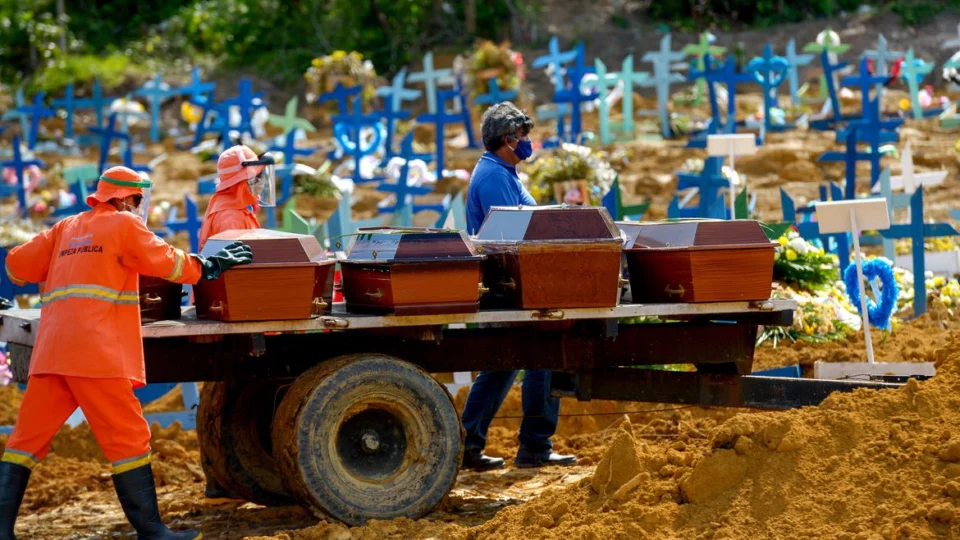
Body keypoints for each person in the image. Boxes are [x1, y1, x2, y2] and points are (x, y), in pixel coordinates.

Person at [0, 166, 254, 540]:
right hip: (97, 354)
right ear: (123, 198)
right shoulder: (123, 225)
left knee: (24, 442)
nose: (139, 208)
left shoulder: (64, 228)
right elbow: (168, 262)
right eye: (137, 200)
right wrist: (211, 265)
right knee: (129, 438)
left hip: (52, 352)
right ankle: (151, 530)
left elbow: (17, 264)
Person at [461, 102, 578, 470]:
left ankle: (468, 445)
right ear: (506, 139)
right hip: (511, 284)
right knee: (541, 356)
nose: (528, 141)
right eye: (523, 136)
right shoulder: (495, 177)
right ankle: (535, 447)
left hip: (513, 281)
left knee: (501, 367)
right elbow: (514, 233)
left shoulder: (504, 171)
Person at [197, 144, 275, 500]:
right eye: (256, 179)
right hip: (236, 313)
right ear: (242, 179)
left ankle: (220, 478)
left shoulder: (233, 208)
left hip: (233, 309)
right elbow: (240, 274)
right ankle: (220, 477)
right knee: (231, 396)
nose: (260, 186)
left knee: (229, 395)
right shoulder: (230, 216)